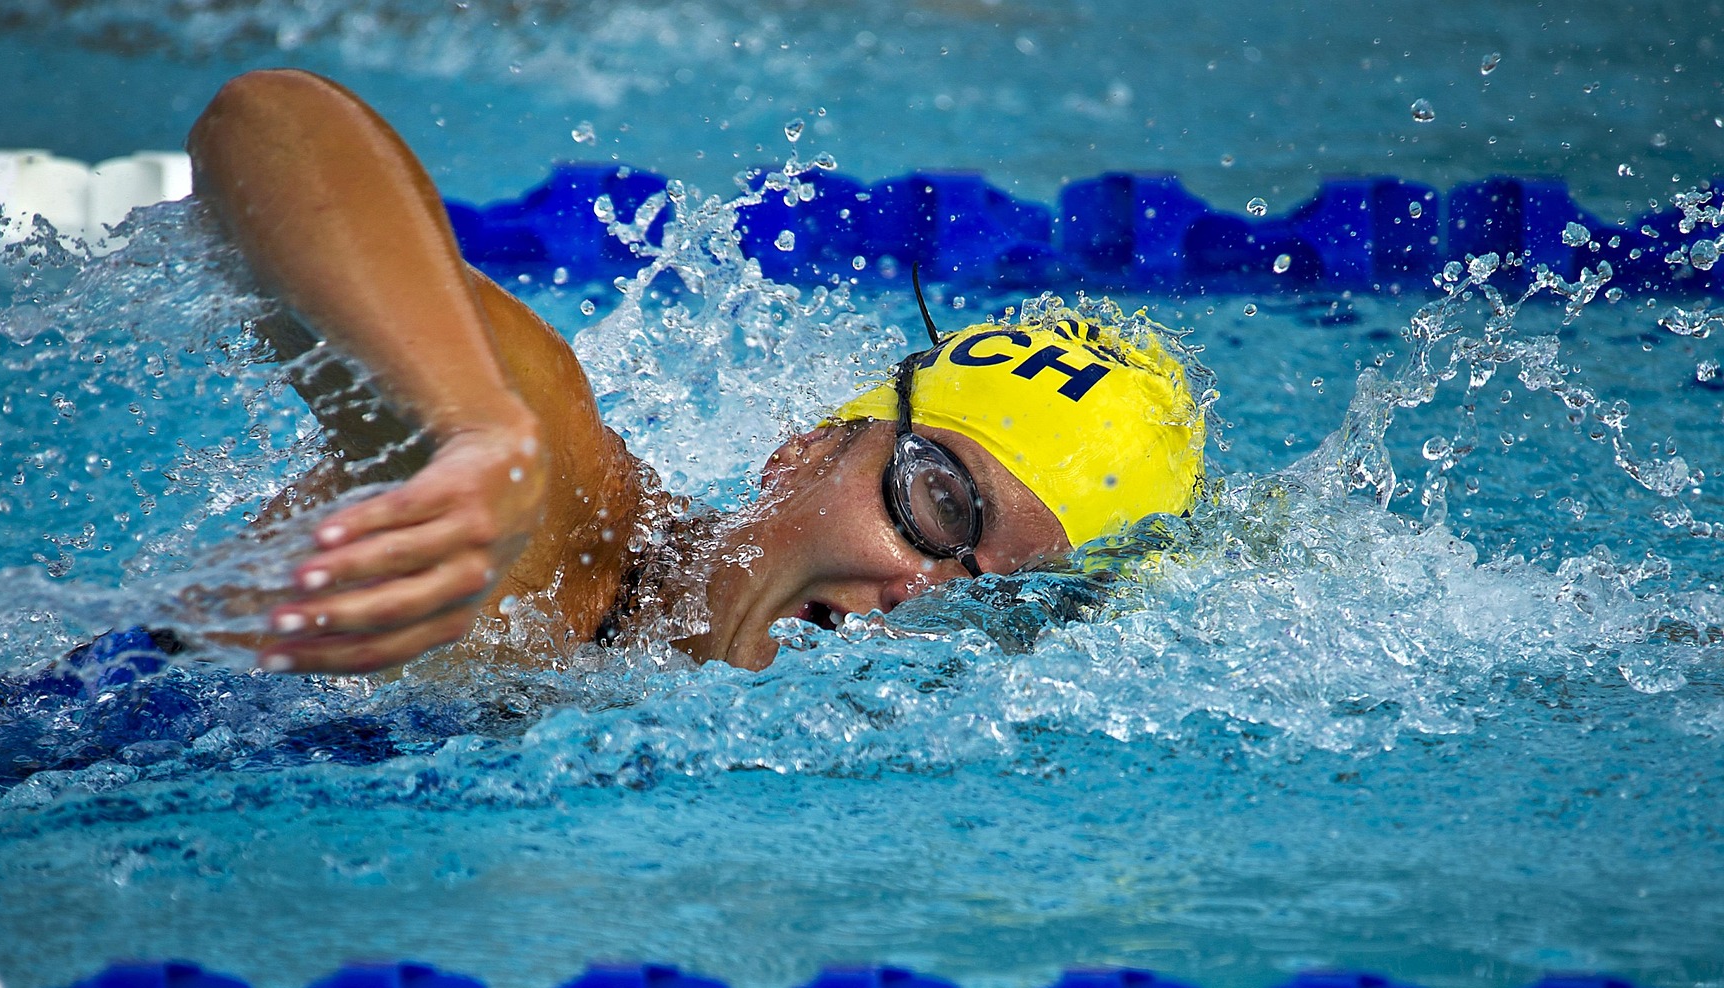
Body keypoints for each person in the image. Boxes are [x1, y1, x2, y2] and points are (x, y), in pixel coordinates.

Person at [186, 69, 1206, 676]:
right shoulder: (552, 519)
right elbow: (270, 124)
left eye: (1005, 604)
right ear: (804, 451)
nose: (922, 595)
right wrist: (470, 426)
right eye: (941, 506)